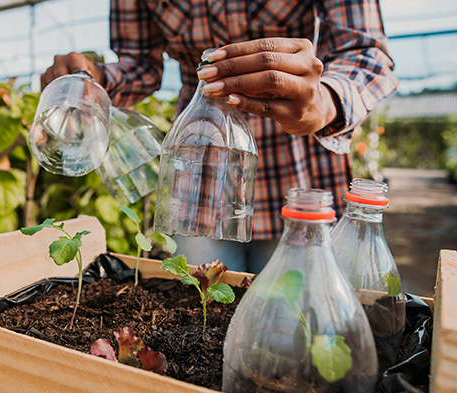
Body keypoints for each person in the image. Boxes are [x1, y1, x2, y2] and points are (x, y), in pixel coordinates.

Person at [40, 0, 398, 273]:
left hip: (295, 164)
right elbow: (140, 63)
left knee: (294, 317)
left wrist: (323, 102)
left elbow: (365, 51)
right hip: (199, 166)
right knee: (200, 306)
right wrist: (96, 77)